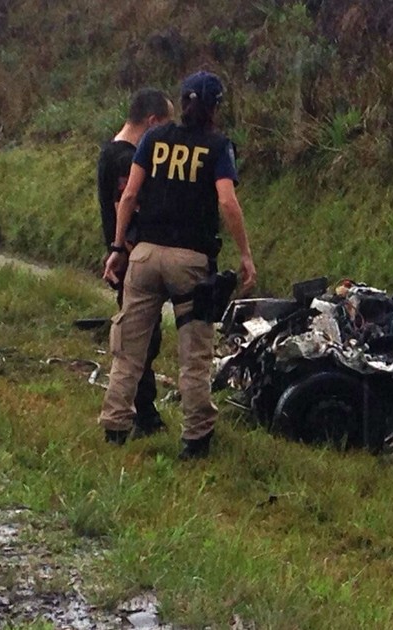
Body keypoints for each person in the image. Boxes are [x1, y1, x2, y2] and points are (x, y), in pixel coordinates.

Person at [98, 71, 257, 460]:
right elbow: (227, 202)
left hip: (146, 255)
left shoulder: (153, 139)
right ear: (215, 107)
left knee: (129, 350)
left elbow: (130, 194)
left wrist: (118, 247)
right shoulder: (218, 147)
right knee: (194, 354)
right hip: (190, 263)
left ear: (182, 103)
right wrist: (246, 254)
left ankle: (116, 427)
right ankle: (195, 440)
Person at [96, 88, 173, 438]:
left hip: (122, 254)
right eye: (165, 125)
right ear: (153, 122)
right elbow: (123, 207)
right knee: (139, 341)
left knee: (140, 338)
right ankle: (142, 416)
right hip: (130, 257)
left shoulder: (109, 151)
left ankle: (145, 411)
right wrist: (125, 249)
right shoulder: (128, 160)